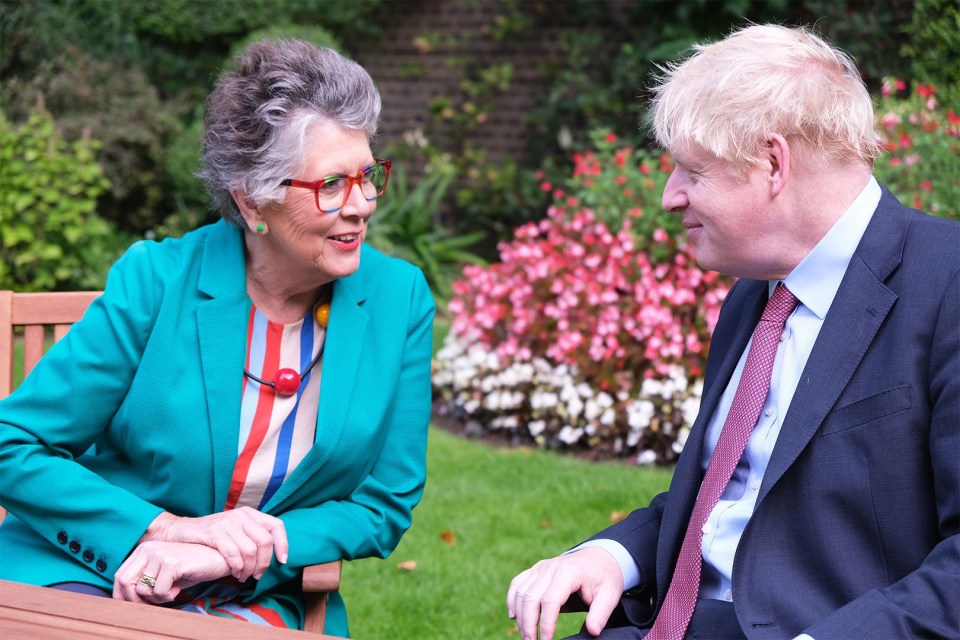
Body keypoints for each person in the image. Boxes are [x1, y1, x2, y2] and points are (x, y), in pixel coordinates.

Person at [507, 24, 958, 640]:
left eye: (692, 171)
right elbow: (727, 500)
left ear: (773, 163)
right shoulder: (757, 296)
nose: (670, 197)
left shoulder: (947, 286)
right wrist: (611, 556)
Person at [0, 39, 435, 636]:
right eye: (331, 184)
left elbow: (383, 503)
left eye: (368, 175)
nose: (361, 204)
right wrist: (163, 531)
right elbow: (13, 444)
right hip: (88, 570)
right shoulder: (158, 280)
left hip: (253, 596)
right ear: (252, 197)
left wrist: (229, 550)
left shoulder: (398, 299)